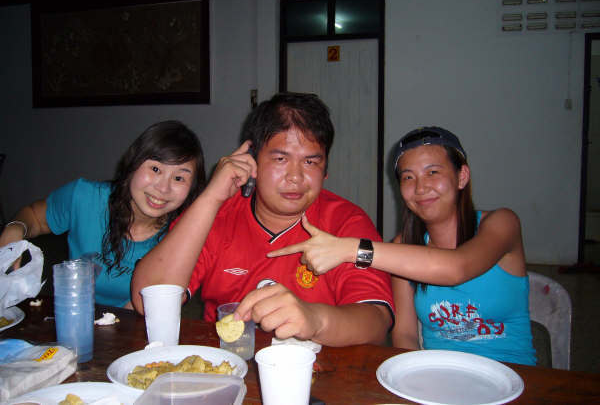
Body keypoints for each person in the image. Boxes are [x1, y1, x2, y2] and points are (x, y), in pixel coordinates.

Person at [131, 92, 394, 346]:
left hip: (318, 367)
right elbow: (147, 301)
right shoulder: (215, 213)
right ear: (252, 161)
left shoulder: (346, 221)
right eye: (280, 159)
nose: (295, 177)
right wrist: (211, 197)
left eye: (310, 162)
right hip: (227, 359)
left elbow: (376, 321)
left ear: (325, 170)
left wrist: (315, 319)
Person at [268, 126, 536, 365]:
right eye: (408, 177)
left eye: (433, 172)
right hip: (441, 379)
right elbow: (405, 335)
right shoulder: (403, 247)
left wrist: (349, 249)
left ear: (462, 176)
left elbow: (458, 267)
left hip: (512, 377)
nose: (420, 188)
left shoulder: (502, 223)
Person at [0, 120, 206, 308]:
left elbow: (150, 307)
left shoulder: (184, 237)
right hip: (74, 315)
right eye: (155, 169)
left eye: (179, 178)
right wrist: (15, 228)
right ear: (133, 164)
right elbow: (35, 217)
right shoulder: (84, 197)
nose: (163, 188)